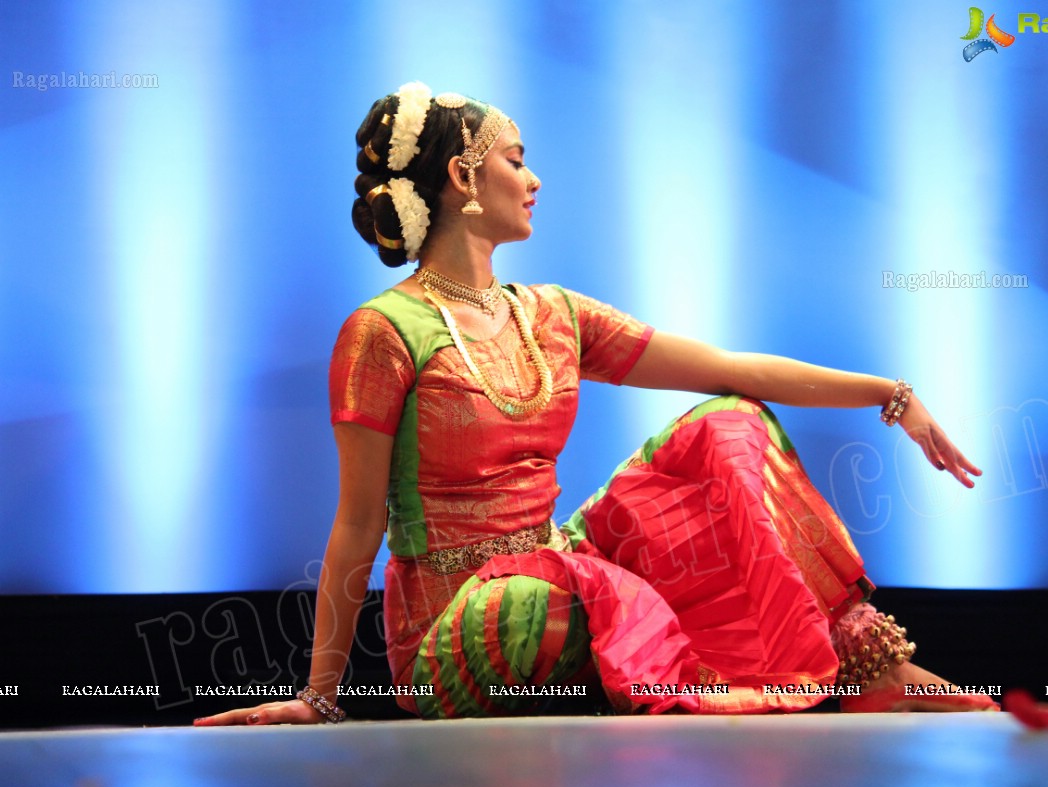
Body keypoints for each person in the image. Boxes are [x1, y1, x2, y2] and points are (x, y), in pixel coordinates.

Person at [196, 82, 997, 725]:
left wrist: (893, 396)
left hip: (562, 569)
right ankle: (653, 663)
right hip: (465, 623)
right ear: (463, 177)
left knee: (727, 423)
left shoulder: (555, 314)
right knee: (536, 602)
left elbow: (727, 367)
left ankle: (873, 669)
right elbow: (357, 526)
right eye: (516, 159)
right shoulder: (383, 330)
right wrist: (321, 695)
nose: (535, 178)